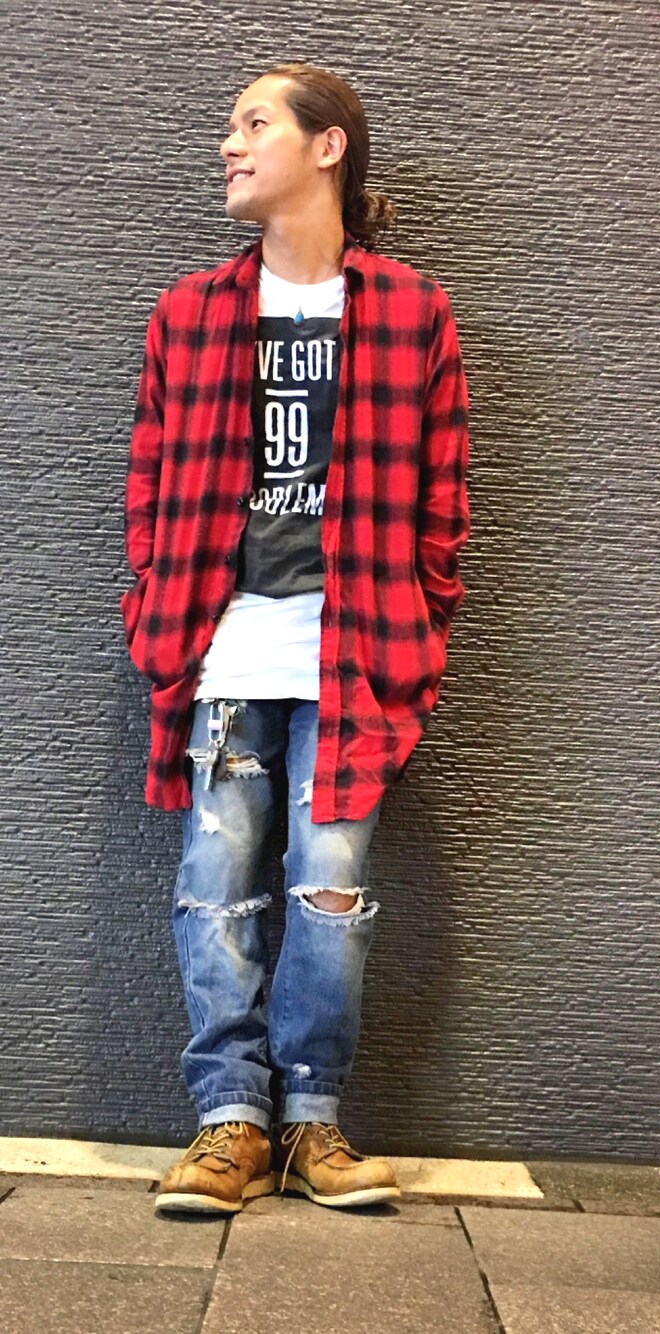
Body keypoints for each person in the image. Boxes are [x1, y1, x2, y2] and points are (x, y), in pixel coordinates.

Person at [120, 61, 470, 1214]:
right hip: (222, 649)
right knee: (214, 880)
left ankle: (311, 1118)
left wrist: (421, 618)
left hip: (357, 653)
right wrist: (153, 598)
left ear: (328, 147)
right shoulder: (190, 313)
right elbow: (149, 475)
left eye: (253, 122)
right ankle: (230, 1119)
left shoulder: (411, 313)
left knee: (330, 885)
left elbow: (443, 497)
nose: (228, 143)